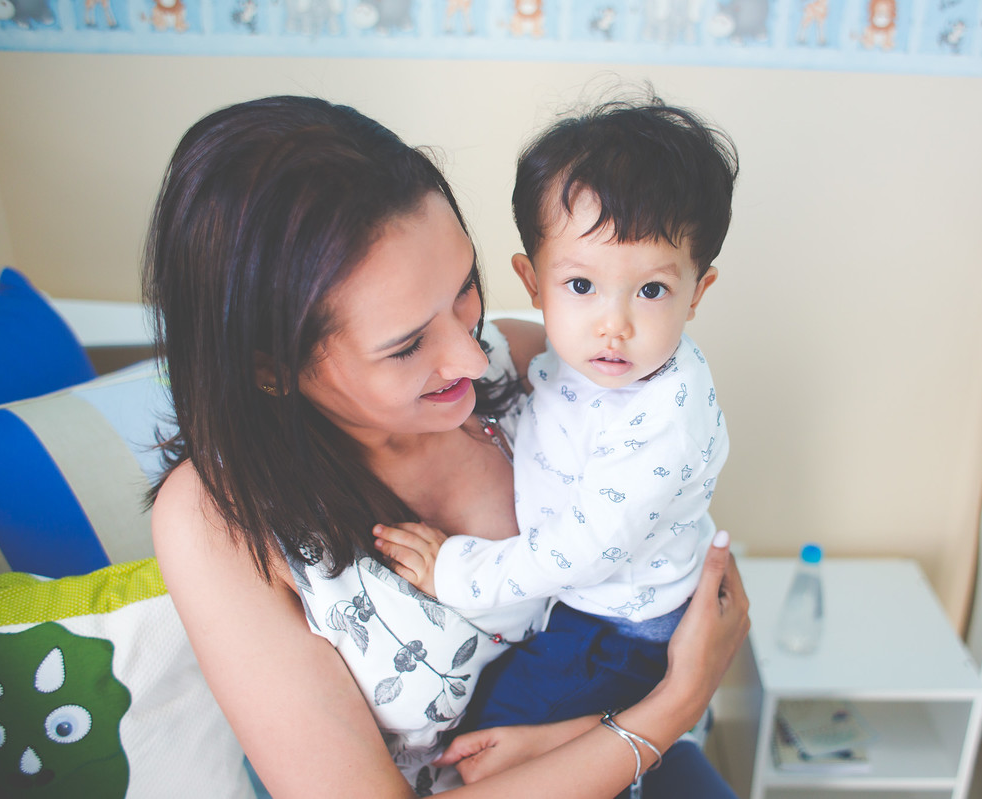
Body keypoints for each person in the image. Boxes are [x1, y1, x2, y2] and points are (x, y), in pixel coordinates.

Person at [144, 94, 750, 799]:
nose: (470, 354)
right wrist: (668, 711)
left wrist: (622, 723)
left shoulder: (527, 362)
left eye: (465, 290)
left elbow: (692, 566)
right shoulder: (218, 519)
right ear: (272, 367)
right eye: (406, 346)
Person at [373, 97, 738, 744]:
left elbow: (580, 550)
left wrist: (453, 573)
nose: (614, 324)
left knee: (491, 738)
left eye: (651, 290)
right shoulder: (572, 353)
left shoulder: (660, 419)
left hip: (617, 629)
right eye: (580, 285)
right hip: (586, 606)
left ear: (697, 293)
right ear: (533, 282)